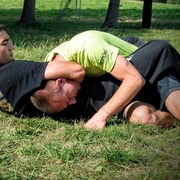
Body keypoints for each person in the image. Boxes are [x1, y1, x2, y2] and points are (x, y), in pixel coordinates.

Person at [31, 30, 180, 130]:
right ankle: (169, 114)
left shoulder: (88, 48)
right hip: (124, 88)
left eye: (68, 98)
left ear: (60, 81)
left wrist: (101, 116)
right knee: (143, 118)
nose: (73, 102)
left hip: (149, 68)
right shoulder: (51, 65)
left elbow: (134, 80)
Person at [0, 24, 85, 117]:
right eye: (4, 43)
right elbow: (77, 71)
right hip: (94, 101)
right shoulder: (15, 70)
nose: (12, 47)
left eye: (9, 41)